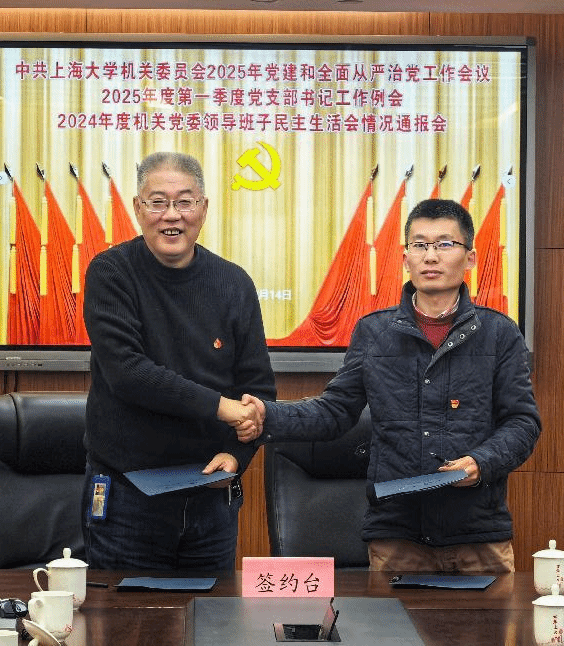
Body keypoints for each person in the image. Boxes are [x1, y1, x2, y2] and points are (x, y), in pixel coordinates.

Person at [242, 199, 540, 573]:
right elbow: (335, 411)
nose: (431, 256)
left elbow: (522, 423)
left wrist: (483, 462)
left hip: (478, 535)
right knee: (391, 615)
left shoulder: (499, 333)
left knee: (491, 616)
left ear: (470, 258)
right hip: (397, 537)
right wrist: (267, 414)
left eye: (445, 244)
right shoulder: (374, 332)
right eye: (420, 245)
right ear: (405, 258)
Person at [82, 151, 275, 571]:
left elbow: (258, 389)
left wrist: (236, 456)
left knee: (210, 613)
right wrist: (222, 408)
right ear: (138, 208)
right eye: (158, 202)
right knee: (125, 614)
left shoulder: (233, 283)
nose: (172, 216)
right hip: (128, 502)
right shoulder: (111, 273)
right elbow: (128, 373)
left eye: (185, 202)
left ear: (203, 209)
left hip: (212, 497)